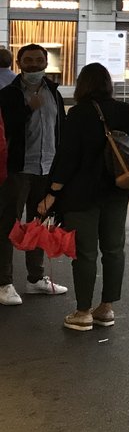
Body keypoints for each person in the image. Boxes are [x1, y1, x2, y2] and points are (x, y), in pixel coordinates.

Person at [39, 62, 129, 332]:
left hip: (81, 195)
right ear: (108, 85)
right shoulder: (127, 111)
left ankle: (83, 312)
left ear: (82, 85)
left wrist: (52, 193)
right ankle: (107, 308)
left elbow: (67, 158)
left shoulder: (78, 114)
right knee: (114, 249)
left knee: (86, 254)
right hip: (117, 190)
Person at [0, 43, 68, 305]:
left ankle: (35, 278)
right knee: (9, 223)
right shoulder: (8, 94)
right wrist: (29, 107)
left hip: (47, 168)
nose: (34, 65)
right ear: (19, 63)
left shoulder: (54, 92)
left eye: (39, 60)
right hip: (18, 170)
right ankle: (4, 282)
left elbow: (60, 129)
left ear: (45, 63)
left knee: (39, 223)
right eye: (28, 60)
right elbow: (6, 128)